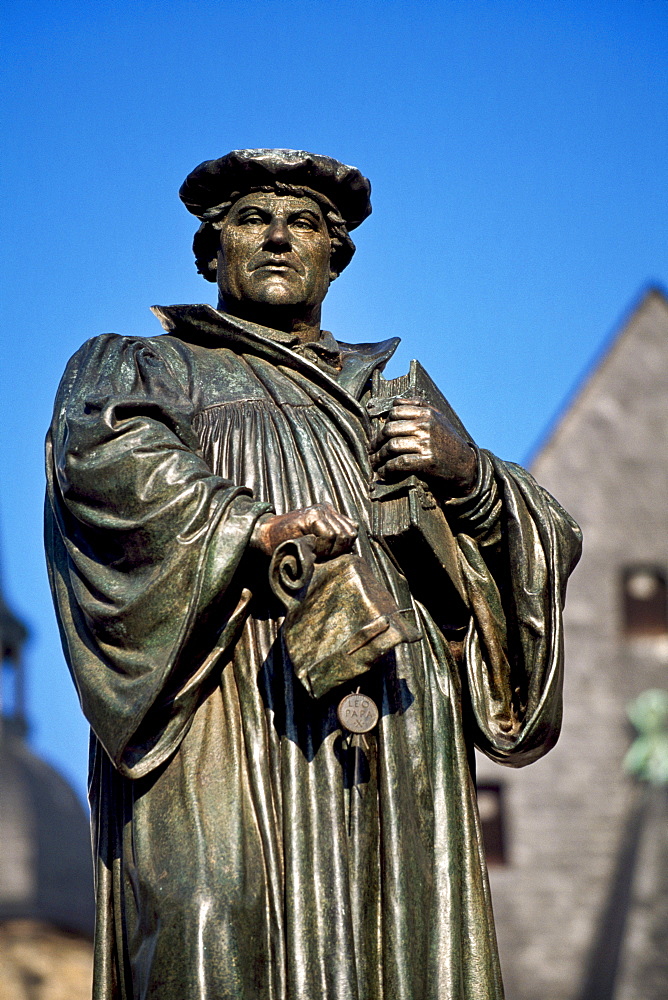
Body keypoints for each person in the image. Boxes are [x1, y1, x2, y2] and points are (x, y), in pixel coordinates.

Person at [45, 149, 581, 1000]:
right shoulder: (145, 367)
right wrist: (252, 526)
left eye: (304, 225)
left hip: (393, 703)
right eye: (253, 219)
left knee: (397, 948)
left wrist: (469, 473)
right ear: (209, 249)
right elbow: (106, 462)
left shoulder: (387, 395)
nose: (279, 240)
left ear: (336, 255)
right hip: (227, 687)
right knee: (207, 915)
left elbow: (543, 538)